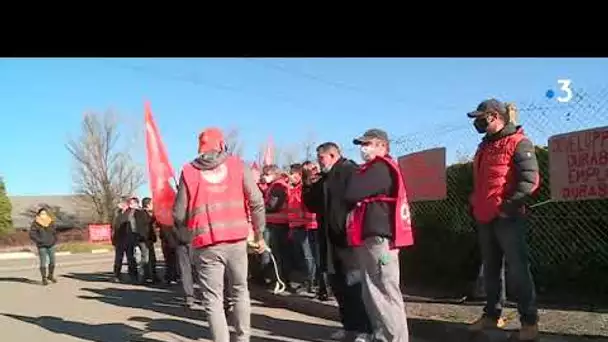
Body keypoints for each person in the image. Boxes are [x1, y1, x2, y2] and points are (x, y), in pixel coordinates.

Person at [173, 127, 266, 342]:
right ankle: (243, 339)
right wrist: (259, 235)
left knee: (213, 299)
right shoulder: (238, 165)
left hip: (206, 244)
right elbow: (257, 201)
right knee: (240, 291)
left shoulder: (189, 171)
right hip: (236, 241)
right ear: (222, 144)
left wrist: (188, 227)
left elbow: (178, 214)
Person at [466, 99, 540, 341]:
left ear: (494, 116)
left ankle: (529, 321)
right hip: (485, 215)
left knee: (518, 269)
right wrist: (475, 201)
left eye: (480, 117)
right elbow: (482, 181)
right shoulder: (483, 147)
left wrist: (509, 206)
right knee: (491, 269)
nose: (477, 122)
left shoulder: (519, 142)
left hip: (508, 217)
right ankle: (491, 314)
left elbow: (530, 181)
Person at [344, 128, 414, 342]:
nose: (363, 149)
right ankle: (382, 335)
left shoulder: (380, 167)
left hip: (380, 238)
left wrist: (355, 177)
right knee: (372, 290)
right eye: (362, 145)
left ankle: (396, 338)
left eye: (368, 144)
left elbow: (352, 192)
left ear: (382, 145)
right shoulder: (372, 168)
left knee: (383, 291)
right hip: (371, 236)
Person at [303, 142, 372, 342]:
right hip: (329, 241)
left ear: (333, 155)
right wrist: (307, 183)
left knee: (355, 287)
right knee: (339, 287)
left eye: (321, 158)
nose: (318, 163)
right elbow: (312, 205)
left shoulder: (349, 171)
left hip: (348, 241)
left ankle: (365, 329)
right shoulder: (324, 178)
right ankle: (349, 326)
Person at [263, 164, 296, 292]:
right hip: (280, 223)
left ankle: (279, 279)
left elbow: (273, 205)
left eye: (267, 174)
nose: (265, 177)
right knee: (281, 254)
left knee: (275, 254)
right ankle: (281, 279)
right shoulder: (279, 185)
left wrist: (260, 207)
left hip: (276, 224)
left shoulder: (278, 186)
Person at [287, 163, 318, 294]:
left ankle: (311, 282)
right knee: (303, 256)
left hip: (308, 226)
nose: (290, 177)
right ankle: (307, 280)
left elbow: (307, 207)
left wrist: (305, 223)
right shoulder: (294, 189)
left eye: (293, 174)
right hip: (297, 226)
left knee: (309, 256)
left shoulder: (304, 189)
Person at [302, 160, 330, 301]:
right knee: (318, 258)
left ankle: (326, 287)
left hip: (326, 225)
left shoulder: (325, 180)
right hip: (316, 224)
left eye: (314, 168)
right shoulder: (310, 184)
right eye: (308, 170)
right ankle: (322, 287)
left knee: (322, 259)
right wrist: (307, 184)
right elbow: (310, 204)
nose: (312, 172)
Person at [111, 197, 139, 283]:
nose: (118, 205)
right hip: (119, 240)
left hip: (129, 239)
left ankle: (133, 276)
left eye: (120, 203)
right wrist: (113, 238)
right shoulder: (117, 213)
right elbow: (114, 227)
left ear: (125, 204)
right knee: (118, 258)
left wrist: (135, 238)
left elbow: (135, 226)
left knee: (130, 258)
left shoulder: (132, 212)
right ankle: (117, 275)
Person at [29, 208, 58, 286]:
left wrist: (54, 240)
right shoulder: (35, 223)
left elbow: (54, 232)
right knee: (43, 262)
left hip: (51, 245)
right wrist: (39, 240)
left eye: (45, 214)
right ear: (39, 214)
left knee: (52, 261)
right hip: (42, 246)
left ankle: (50, 276)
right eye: (42, 214)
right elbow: (32, 234)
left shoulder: (51, 222)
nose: (43, 215)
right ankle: (44, 278)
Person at [136, 197, 159, 284]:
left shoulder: (149, 214)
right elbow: (143, 226)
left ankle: (153, 276)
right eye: (152, 204)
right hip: (144, 240)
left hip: (149, 239)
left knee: (152, 259)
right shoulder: (140, 214)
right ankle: (143, 277)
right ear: (148, 204)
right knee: (145, 259)